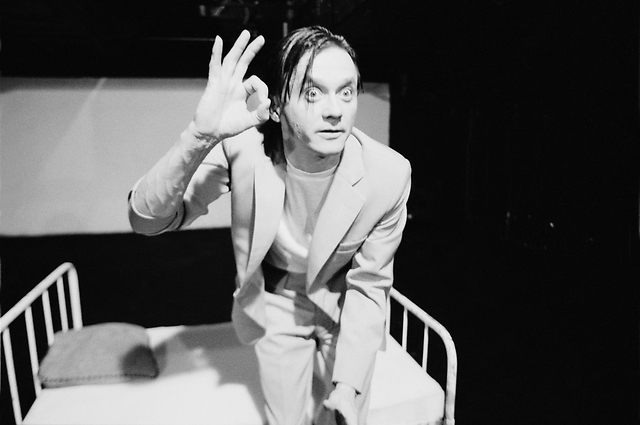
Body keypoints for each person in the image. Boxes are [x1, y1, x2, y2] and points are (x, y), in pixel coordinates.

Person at [128, 26, 411, 425]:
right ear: (276, 107)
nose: (335, 110)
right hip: (278, 300)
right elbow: (146, 220)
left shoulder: (389, 175)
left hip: (344, 300)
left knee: (345, 415)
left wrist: (347, 388)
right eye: (312, 93)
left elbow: (370, 285)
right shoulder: (243, 147)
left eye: (346, 92)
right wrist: (199, 136)